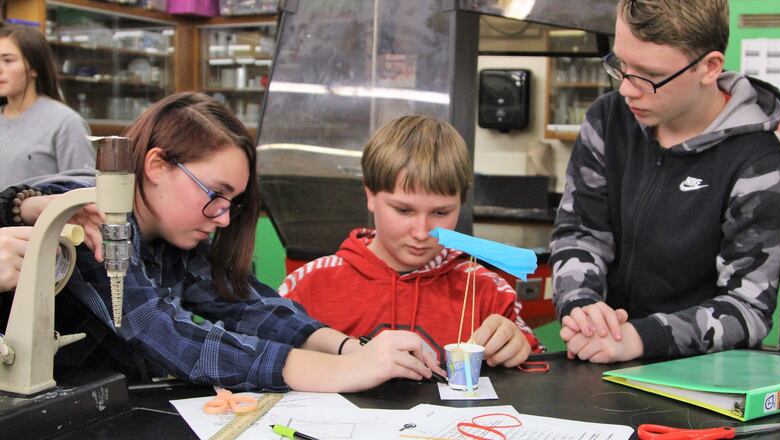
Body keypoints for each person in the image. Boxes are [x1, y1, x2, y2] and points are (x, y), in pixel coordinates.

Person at [17, 92, 442, 392]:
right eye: (215, 194)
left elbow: (244, 302)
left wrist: (350, 348)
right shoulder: (90, 214)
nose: (222, 218)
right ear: (157, 165)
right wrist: (339, 373)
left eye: (232, 203)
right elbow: (159, 330)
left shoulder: (171, 239)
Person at [550, 0, 780, 363]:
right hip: (601, 364)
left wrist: (641, 338)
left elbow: (749, 308)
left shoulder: (757, 162)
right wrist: (581, 305)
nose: (628, 88)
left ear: (709, 67)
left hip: (696, 380)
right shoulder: (608, 119)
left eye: (648, 74)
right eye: (621, 65)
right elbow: (580, 233)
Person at [279, 115, 541, 368]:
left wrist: (519, 347)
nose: (421, 232)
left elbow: (536, 369)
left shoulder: (487, 291)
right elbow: (262, 362)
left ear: (460, 204)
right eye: (404, 210)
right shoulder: (309, 286)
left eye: (441, 212)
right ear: (370, 195)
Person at [0, 23, 95, 188]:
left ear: (34, 68)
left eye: (8, 60)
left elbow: (83, 191)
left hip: (41, 214)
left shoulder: (65, 122)